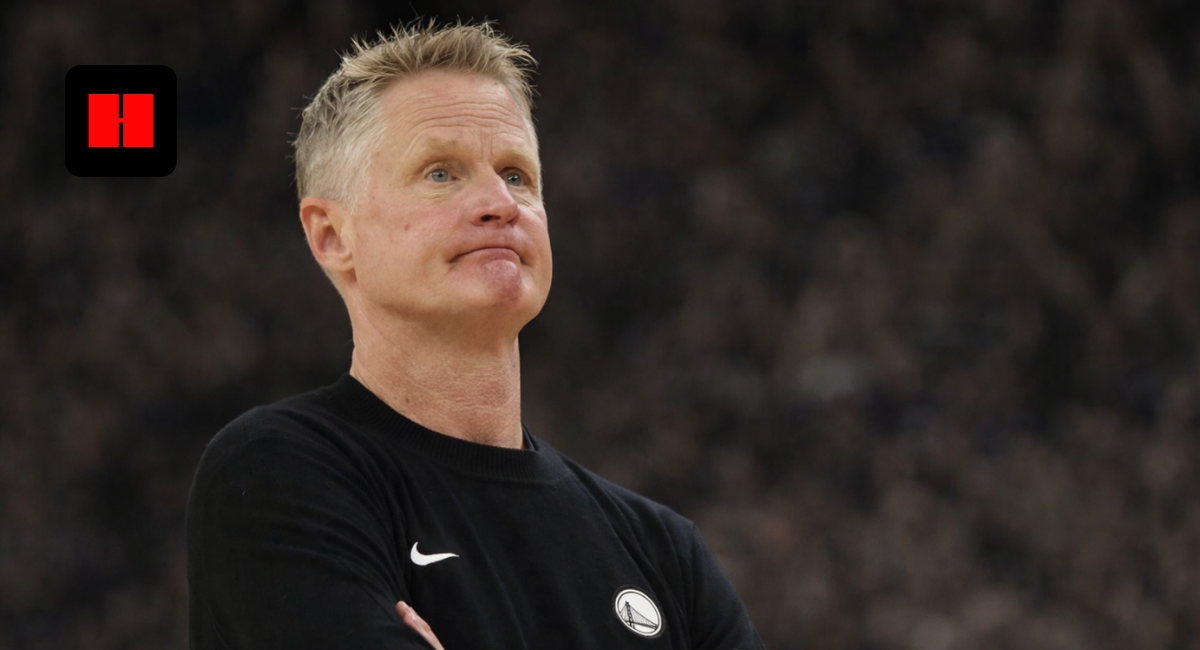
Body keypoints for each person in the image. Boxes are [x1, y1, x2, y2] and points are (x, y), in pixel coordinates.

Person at [186, 21, 766, 650]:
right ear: (332, 235)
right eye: (441, 173)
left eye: (517, 175)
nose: (500, 202)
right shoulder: (276, 473)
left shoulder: (665, 551)